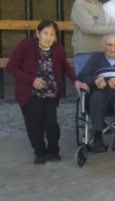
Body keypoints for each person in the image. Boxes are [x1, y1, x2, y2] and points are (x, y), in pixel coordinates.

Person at [6, 20, 87, 164]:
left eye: (52, 34)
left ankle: (54, 150)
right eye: (45, 33)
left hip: (50, 91)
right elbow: (11, 67)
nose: (48, 37)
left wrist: (76, 80)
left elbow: (66, 67)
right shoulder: (25, 46)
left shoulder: (57, 49)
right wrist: (32, 80)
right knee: (34, 124)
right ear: (37, 33)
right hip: (29, 92)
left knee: (51, 122)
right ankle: (40, 152)